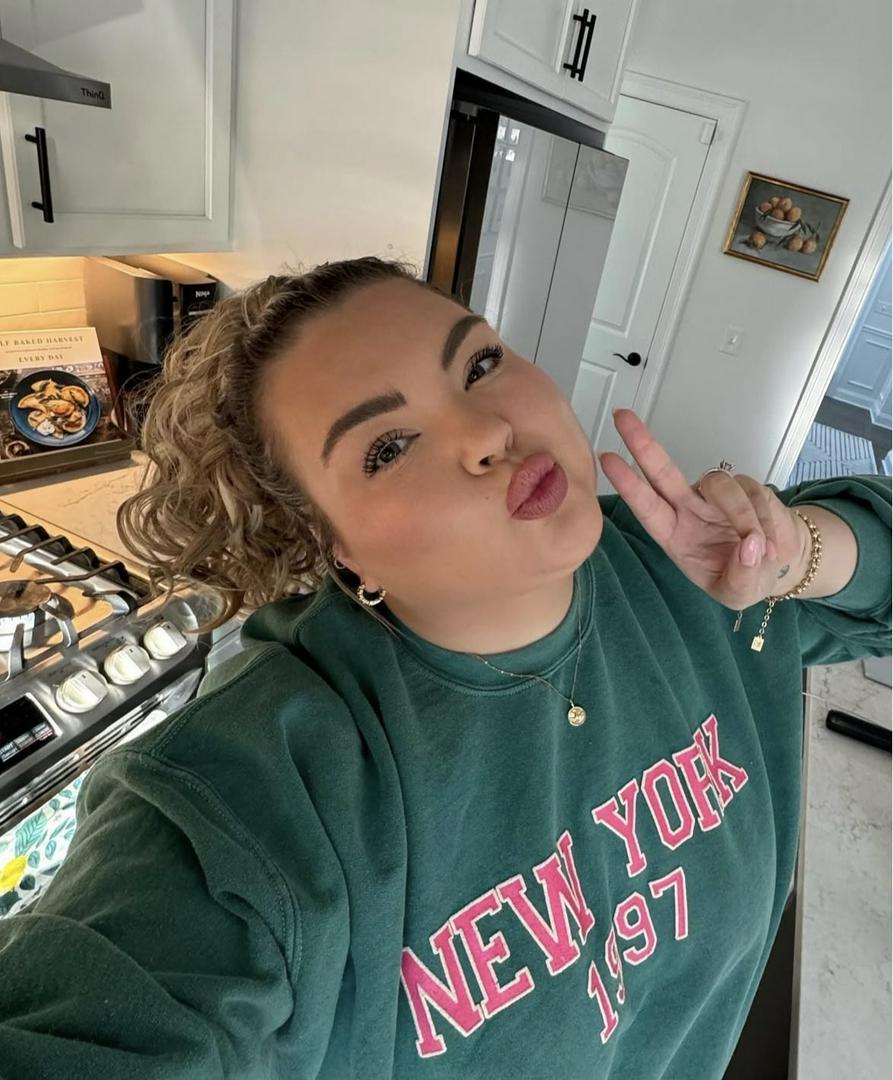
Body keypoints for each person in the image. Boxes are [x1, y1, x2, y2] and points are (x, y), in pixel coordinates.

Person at [0, 256, 889, 1079]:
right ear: (336, 549)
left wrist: (794, 555)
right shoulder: (263, 784)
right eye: (386, 448)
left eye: (478, 364)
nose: (487, 429)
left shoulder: (691, 566)